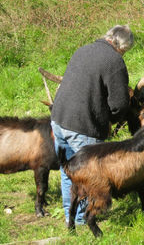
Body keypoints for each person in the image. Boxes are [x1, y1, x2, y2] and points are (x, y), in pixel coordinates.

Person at [51, 25, 134, 225]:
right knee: (90, 175)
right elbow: (120, 103)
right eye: (126, 51)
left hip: (58, 119)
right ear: (121, 47)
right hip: (82, 125)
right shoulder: (115, 61)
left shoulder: (83, 49)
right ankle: (87, 219)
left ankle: (72, 218)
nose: (124, 54)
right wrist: (113, 120)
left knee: (68, 171)